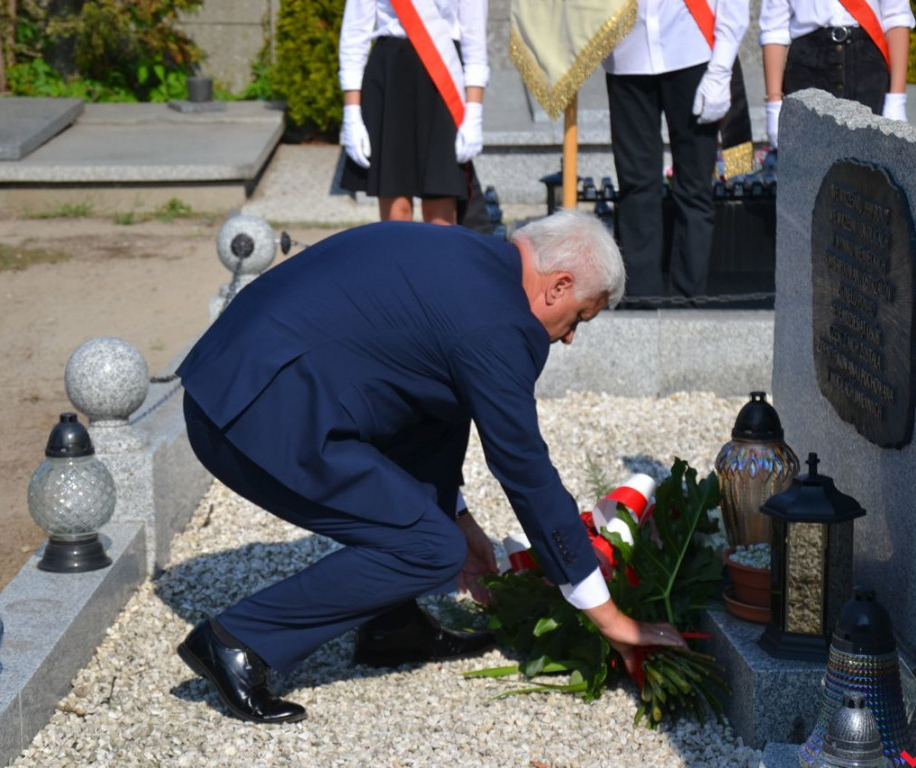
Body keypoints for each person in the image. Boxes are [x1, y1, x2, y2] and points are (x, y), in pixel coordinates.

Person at [174, 210, 688, 724]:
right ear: (558, 287)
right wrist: (608, 615)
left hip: (240, 378)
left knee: (437, 536)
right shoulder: (500, 323)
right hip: (249, 413)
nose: (571, 336)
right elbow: (524, 466)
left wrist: (460, 519)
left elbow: (433, 406)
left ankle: (391, 626)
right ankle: (237, 642)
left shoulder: (471, 260)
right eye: (581, 317)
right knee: (429, 548)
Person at [603, 0, 748, 303]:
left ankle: (688, 301)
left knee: (694, 189)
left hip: (692, 51)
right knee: (636, 187)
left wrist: (721, 68)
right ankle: (641, 299)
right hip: (627, 53)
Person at [337, 0, 488, 226]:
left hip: (444, 77)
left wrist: (474, 111)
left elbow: (474, 38)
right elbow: (355, 34)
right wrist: (351, 113)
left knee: (441, 209)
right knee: (397, 214)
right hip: (390, 77)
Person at [759, 0, 914, 148]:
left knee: (868, 168)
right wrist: (774, 104)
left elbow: (896, 17)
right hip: (808, 66)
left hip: (867, 66)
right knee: (811, 167)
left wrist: (896, 100)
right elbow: (774, 29)